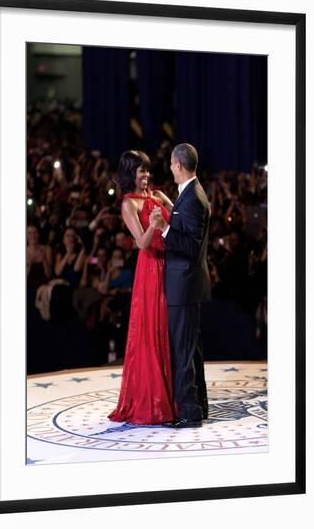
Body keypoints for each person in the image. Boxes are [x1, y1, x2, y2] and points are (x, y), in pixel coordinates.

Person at [108, 150, 175, 425]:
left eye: (147, 170)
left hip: (169, 267)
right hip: (149, 271)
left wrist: (166, 214)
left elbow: (179, 216)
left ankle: (173, 396)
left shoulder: (157, 196)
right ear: (130, 174)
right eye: (140, 171)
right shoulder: (128, 204)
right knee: (150, 330)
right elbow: (141, 243)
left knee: (167, 329)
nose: (146, 175)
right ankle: (152, 400)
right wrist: (156, 225)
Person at [150, 143, 211, 428]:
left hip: (183, 285)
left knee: (183, 350)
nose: (171, 168)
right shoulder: (190, 195)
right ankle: (198, 406)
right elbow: (185, 226)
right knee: (191, 349)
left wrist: (163, 227)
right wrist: (169, 208)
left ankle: (188, 413)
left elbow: (189, 244)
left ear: (178, 165)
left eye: (172, 164)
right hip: (187, 284)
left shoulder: (193, 198)